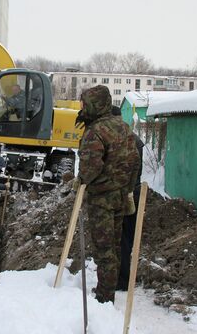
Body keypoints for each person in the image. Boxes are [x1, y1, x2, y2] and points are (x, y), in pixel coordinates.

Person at [73, 86, 140, 304]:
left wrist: (80, 181)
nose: (82, 108)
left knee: (104, 250)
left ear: (94, 105)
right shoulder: (123, 126)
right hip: (121, 196)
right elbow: (135, 161)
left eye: (85, 104)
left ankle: (104, 296)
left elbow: (90, 168)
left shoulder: (95, 131)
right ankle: (112, 287)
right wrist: (127, 188)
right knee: (116, 245)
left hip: (101, 199)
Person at [111, 106, 145, 291]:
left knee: (120, 238)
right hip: (133, 192)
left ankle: (122, 280)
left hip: (124, 194)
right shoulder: (133, 138)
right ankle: (123, 277)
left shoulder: (121, 140)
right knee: (126, 238)